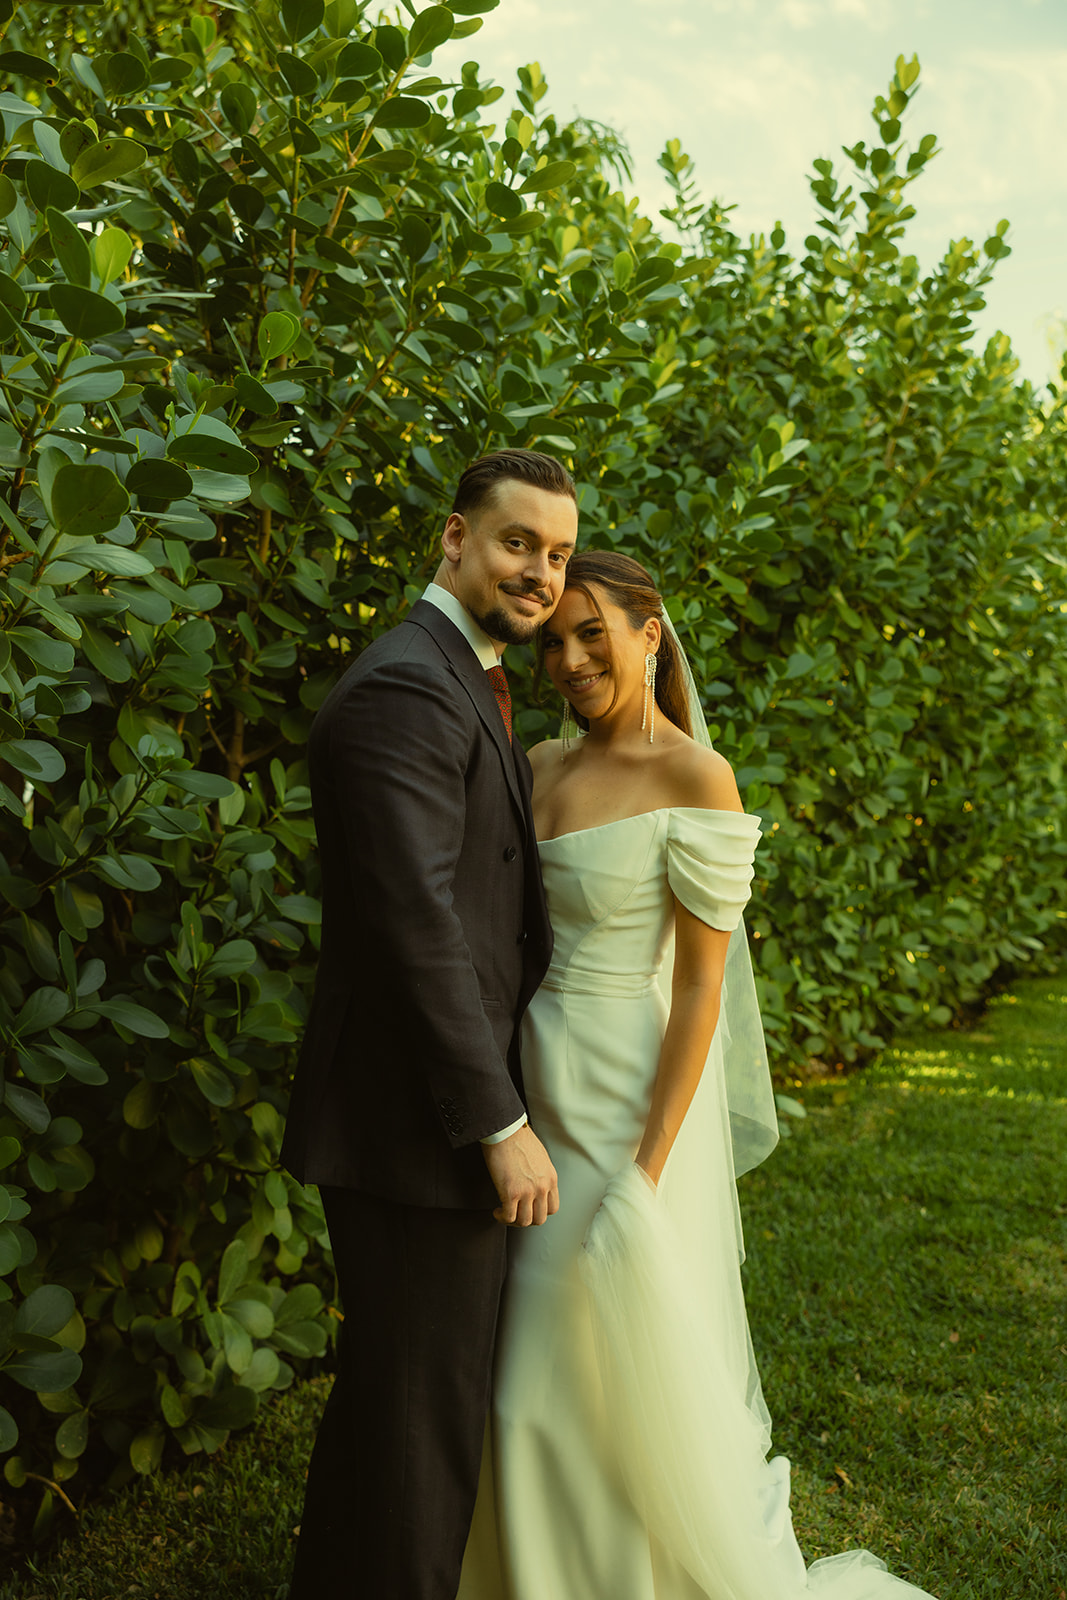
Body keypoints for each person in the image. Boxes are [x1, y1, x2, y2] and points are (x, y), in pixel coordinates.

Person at [458, 551, 940, 1599]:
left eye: (593, 632)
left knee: (588, 1372)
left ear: (649, 630)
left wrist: (646, 1168)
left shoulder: (694, 776)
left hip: (624, 1101)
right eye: (555, 640)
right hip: (525, 1079)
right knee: (520, 1381)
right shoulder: (533, 763)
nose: (571, 658)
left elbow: (699, 998)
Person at [281, 449, 579, 1600]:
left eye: (555, 554)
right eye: (516, 543)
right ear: (453, 538)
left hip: (416, 1124)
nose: (538, 572)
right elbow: (413, 926)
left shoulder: (463, 674)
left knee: (390, 1416)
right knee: (421, 1433)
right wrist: (496, 1118)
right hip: (417, 1131)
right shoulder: (410, 686)